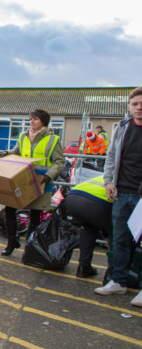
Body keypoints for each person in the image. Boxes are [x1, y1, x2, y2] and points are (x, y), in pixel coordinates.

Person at [95, 87, 142, 307]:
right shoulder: (123, 128)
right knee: (120, 240)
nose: (139, 107)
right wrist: (107, 181)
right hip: (122, 193)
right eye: (135, 104)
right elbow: (111, 156)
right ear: (129, 107)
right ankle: (118, 281)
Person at [0, 109, 65, 256]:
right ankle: (12, 242)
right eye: (30, 119)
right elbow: (17, 150)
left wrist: (49, 176)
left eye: (35, 119)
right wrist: (7, 153)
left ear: (43, 122)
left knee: (35, 216)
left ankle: (29, 246)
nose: (31, 122)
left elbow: (59, 161)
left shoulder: (53, 139)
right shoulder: (23, 136)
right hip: (23, 180)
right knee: (9, 209)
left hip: (41, 181)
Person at [64, 176, 112, 278]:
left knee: (88, 229)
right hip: (95, 203)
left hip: (73, 198)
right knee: (114, 234)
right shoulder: (125, 181)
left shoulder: (105, 176)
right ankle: (111, 274)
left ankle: (83, 268)